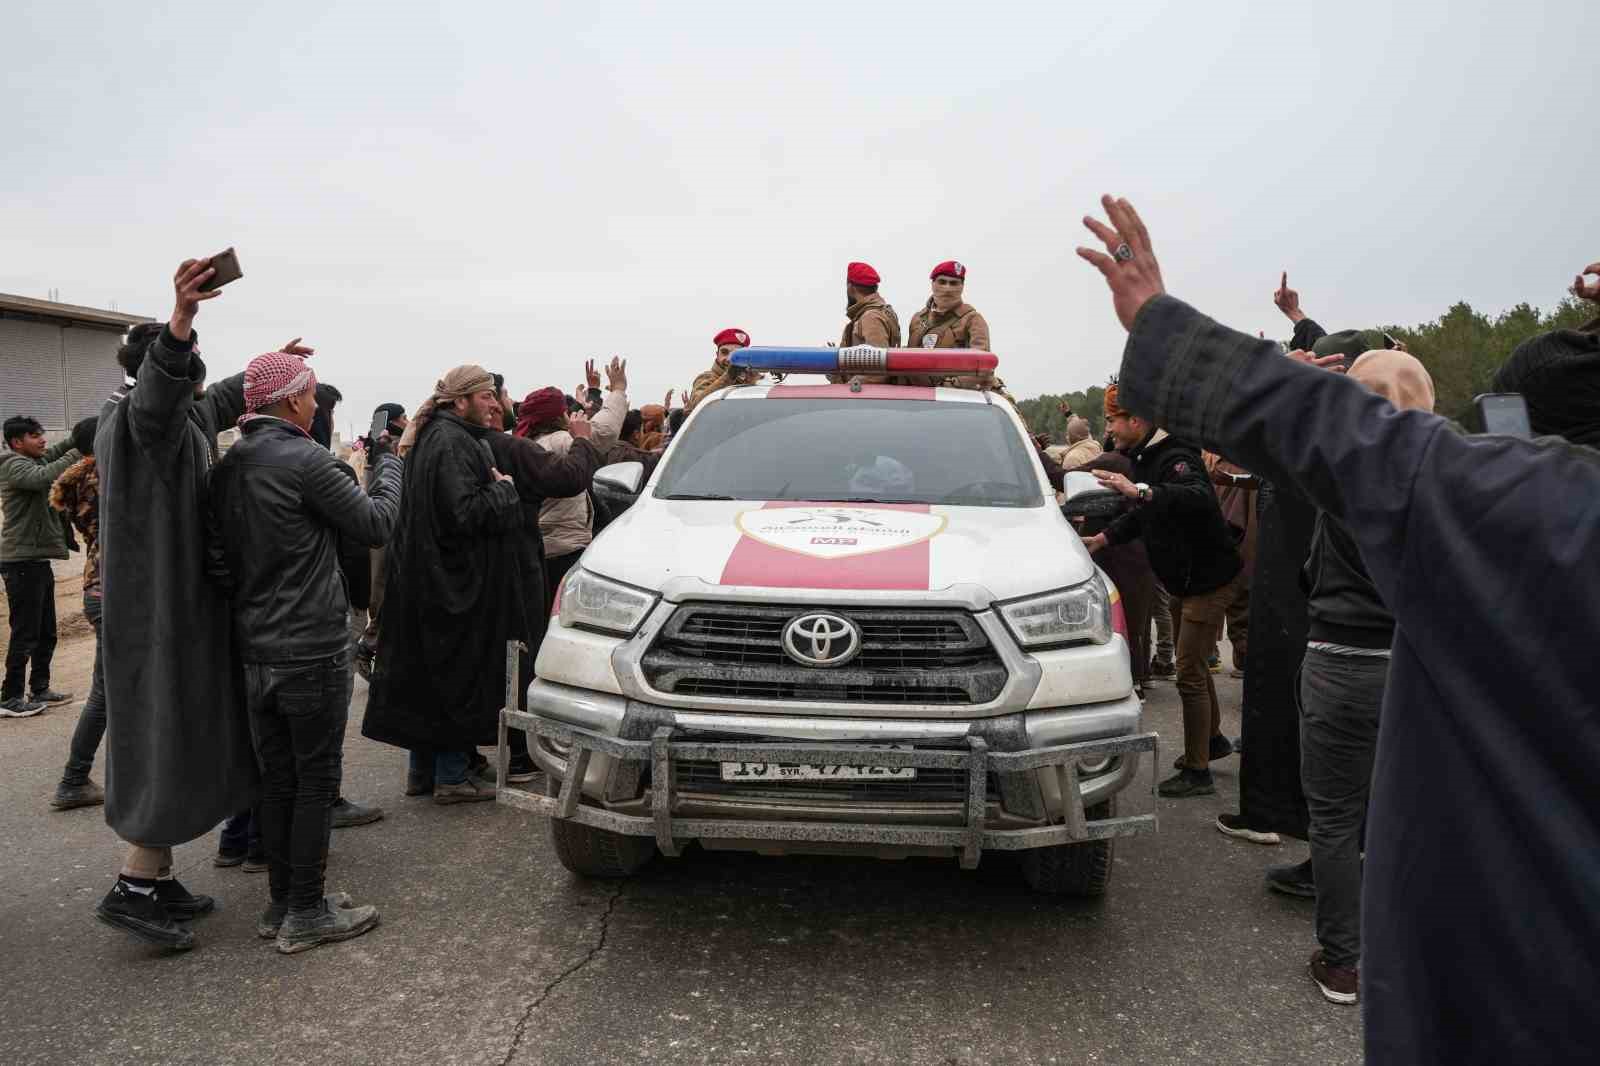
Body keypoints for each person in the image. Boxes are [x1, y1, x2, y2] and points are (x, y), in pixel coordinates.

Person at [1077, 194, 1598, 1062]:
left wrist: (1160, 323)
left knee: (1343, 815)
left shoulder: (1524, 513)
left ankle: (1342, 947)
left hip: (1514, 998)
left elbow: (1341, 435)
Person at [93, 258, 279, 950]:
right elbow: (169, 397)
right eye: (188, 363)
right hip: (161, 612)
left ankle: (157, 877)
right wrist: (182, 321)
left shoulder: (154, 416)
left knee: (172, 735)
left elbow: (206, 403)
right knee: (164, 738)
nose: (197, 372)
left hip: (166, 605)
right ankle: (135, 886)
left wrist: (266, 372)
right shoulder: (143, 417)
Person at [208, 350, 402, 953]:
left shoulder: (230, 463)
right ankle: (308, 912)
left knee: (279, 780)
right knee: (315, 780)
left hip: (256, 647)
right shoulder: (306, 459)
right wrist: (389, 465)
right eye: (312, 395)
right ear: (293, 399)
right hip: (310, 645)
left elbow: (218, 562)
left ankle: (284, 903)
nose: (316, 405)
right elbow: (374, 524)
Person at [361, 366, 526, 803]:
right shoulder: (452, 442)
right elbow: (465, 513)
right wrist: (506, 491)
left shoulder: (435, 437)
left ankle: (425, 771)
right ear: (460, 401)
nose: (495, 404)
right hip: (452, 585)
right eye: (487, 396)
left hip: (429, 581)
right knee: (456, 676)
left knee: (428, 677)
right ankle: (452, 775)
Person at [1080, 383, 1243, 797]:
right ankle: (1213, 740)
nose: (1110, 429)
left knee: (1188, 669)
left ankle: (1197, 771)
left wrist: (1141, 490)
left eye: (1114, 421)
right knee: (1195, 669)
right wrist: (1104, 539)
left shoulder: (1176, 456)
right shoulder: (1147, 455)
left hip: (1209, 579)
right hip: (1190, 578)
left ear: (1136, 420)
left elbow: (1194, 496)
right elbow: (1143, 514)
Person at [518, 360, 627, 613]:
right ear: (559, 415)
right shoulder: (561, 442)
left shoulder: (526, 444)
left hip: (539, 548)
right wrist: (618, 390)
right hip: (564, 550)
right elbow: (603, 432)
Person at [1, 415, 80, 717]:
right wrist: (78, 451)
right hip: (20, 562)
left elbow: (57, 451)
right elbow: (45, 477)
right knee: (25, 632)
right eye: (35, 435)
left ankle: (40, 687)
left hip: (36, 561)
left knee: (46, 631)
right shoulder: (12, 465)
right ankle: (9, 697)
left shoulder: (33, 459)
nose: (42, 439)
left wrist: (78, 437)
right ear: (17, 442)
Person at [48, 418, 106, 806]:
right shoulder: (104, 479)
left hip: (97, 588)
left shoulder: (79, 480)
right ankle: (73, 779)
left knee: (112, 691)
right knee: (106, 694)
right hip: (117, 592)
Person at [354, 402, 409, 680]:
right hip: (389, 524)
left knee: (383, 589)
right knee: (385, 590)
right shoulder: (393, 449)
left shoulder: (373, 447)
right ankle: (367, 648)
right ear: (396, 420)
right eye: (404, 417)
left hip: (377, 522)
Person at [906, 260, 991, 351]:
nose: (947, 288)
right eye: (942, 282)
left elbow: (980, 360)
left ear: (962, 286)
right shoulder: (918, 319)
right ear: (933, 284)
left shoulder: (972, 320)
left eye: (953, 283)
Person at [686, 328, 755, 413]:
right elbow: (697, 406)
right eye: (724, 352)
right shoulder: (706, 378)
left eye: (736, 354)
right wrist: (729, 376)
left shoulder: (756, 379)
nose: (729, 358)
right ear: (717, 355)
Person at [840, 262, 901, 348]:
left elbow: (878, 358)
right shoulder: (875, 313)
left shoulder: (871, 318)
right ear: (875, 288)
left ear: (850, 287)